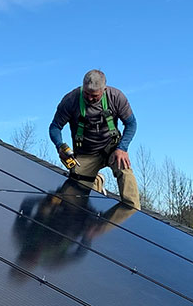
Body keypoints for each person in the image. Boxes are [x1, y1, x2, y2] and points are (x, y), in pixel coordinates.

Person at [49, 69, 140, 209]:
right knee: (74, 202)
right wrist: (60, 145)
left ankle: (133, 213)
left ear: (104, 90)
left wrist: (122, 148)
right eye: (86, 93)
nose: (90, 98)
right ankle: (95, 179)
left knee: (125, 171)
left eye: (94, 96)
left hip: (112, 148)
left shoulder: (116, 97)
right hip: (86, 154)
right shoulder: (71, 100)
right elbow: (55, 127)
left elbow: (131, 123)